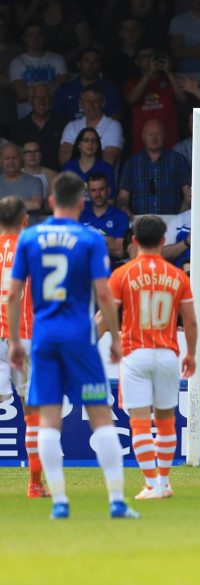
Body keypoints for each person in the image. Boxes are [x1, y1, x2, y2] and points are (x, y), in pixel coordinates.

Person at [7, 171, 137, 519]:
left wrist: (16, 340)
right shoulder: (89, 239)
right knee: (100, 416)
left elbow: (15, 293)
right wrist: (115, 337)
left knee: (48, 419)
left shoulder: (30, 237)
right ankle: (117, 502)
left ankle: (60, 502)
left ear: (51, 202)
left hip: (44, 337)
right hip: (80, 337)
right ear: (81, 202)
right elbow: (105, 294)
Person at [105, 215, 196, 500]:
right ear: (163, 241)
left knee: (140, 422)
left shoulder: (123, 274)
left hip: (135, 352)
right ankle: (165, 482)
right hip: (168, 353)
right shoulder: (178, 275)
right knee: (166, 420)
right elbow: (191, 322)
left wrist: (109, 340)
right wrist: (191, 353)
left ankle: (151, 483)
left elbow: (107, 313)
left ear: (133, 241)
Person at [0, 196, 45, 498]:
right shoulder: (31, 251)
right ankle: (34, 484)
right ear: (25, 219)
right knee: (33, 413)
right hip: (22, 337)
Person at [117, 119, 191, 215]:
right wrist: (124, 209)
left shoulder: (178, 160)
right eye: (150, 134)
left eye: (158, 134)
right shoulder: (132, 163)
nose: (154, 138)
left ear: (164, 135)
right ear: (143, 136)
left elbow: (189, 194)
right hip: (141, 222)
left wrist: (180, 218)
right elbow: (123, 196)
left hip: (172, 221)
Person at [58, 83, 124, 167]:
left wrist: (78, 152)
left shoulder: (114, 126)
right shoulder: (72, 126)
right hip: (75, 180)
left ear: (103, 103)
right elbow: (64, 159)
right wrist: (99, 153)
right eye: (87, 101)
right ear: (81, 103)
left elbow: (108, 161)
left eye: (95, 101)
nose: (91, 105)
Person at [79, 172, 128, 267]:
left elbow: (120, 251)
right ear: (88, 193)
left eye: (101, 189)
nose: (98, 194)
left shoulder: (120, 216)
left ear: (108, 190)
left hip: (112, 267)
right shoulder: (80, 215)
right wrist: (107, 241)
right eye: (93, 190)